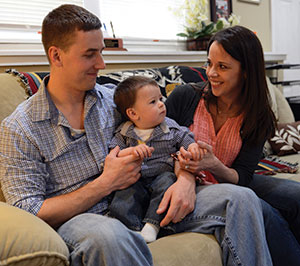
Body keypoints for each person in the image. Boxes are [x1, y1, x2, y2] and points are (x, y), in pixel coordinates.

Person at [0, 4, 288, 265]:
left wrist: (185, 179)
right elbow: (28, 209)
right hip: (84, 218)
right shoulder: (20, 129)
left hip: (148, 195)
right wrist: (104, 184)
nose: (101, 64)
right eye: (90, 54)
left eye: (101, 51)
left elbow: (170, 135)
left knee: (241, 199)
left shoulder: (115, 101)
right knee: (109, 236)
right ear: (56, 55)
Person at [166, 25, 300, 265]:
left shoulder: (257, 115)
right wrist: (188, 173)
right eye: (209, 63)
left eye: (223, 67)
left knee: (296, 196)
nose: (211, 73)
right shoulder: (184, 97)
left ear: (246, 72)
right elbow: (161, 146)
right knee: (264, 212)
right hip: (192, 182)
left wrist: (214, 164)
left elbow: (244, 176)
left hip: (229, 176)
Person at [108, 76, 203, 243]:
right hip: (135, 177)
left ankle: (152, 225)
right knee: (125, 192)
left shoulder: (169, 126)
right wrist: (131, 152)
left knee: (167, 183)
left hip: (161, 175)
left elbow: (185, 137)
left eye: (161, 98)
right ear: (133, 113)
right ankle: (129, 227)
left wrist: (192, 147)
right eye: (153, 102)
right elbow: (114, 154)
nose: (161, 104)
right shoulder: (124, 132)